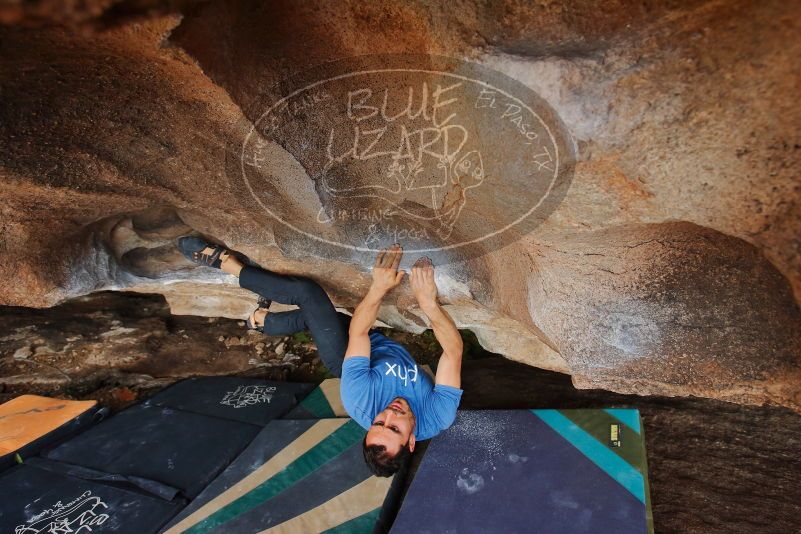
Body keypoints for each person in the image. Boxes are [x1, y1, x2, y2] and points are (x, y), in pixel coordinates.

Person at [341, 244, 464, 477]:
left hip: (357, 352)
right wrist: (428, 302)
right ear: (411, 442)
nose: (390, 414)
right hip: (389, 353)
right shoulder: (437, 417)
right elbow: (453, 352)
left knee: (311, 298)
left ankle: (266, 318)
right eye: (395, 428)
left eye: (378, 424)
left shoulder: (356, 399)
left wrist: (378, 287)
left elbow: (358, 333)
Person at [176, 236, 348, 377]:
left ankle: (228, 263)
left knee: (308, 293)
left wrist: (377, 288)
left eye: (376, 422)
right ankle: (265, 322)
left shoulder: (363, 405)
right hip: (367, 343)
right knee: (320, 317)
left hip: (347, 363)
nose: (376, 420)